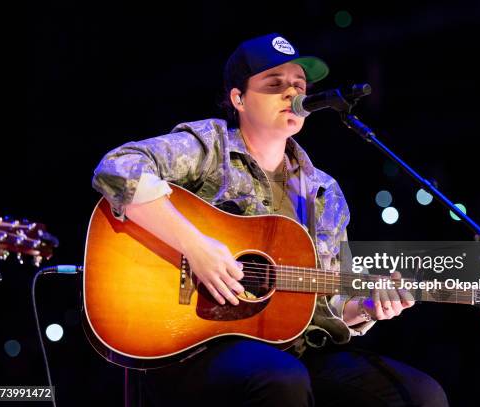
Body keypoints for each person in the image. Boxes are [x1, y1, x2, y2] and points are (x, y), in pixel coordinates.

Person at [92, 33, 449, 407]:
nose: (291, 93)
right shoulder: (209, 146)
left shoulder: (324, 191)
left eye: (299, 85)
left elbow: (328, 298)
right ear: (239, 98)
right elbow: (117, 168)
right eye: (274, 84)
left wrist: (365, 308)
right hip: (198, 344)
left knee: (421, 395)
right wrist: (196, 246)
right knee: (281, 378)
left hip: (295, 348)